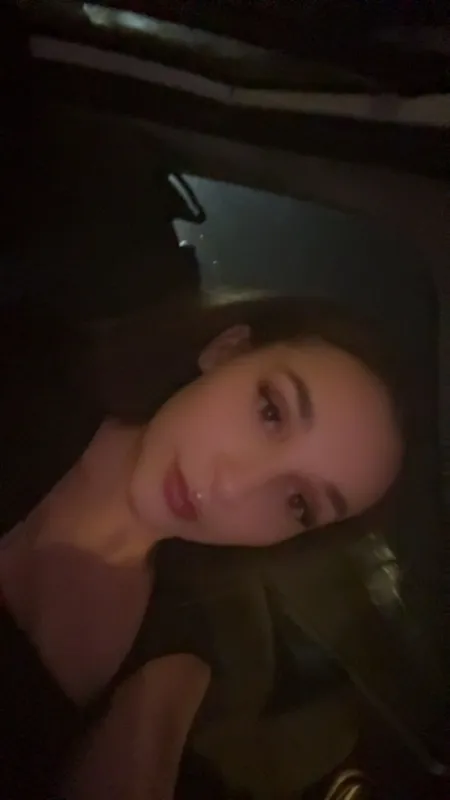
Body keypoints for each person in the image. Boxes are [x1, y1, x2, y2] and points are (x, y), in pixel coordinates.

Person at [0, 289, 405, 800]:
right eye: (270, 411)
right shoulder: (26, 364)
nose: (231, 488)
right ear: (227, 350)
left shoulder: (182, 652)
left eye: (299, 503)